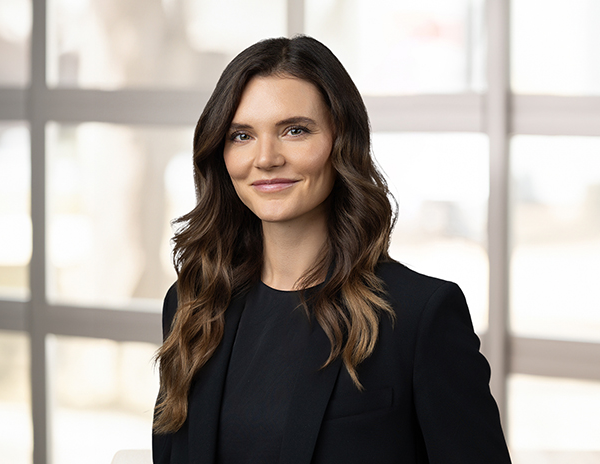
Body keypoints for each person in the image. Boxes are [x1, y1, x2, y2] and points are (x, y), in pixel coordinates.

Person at [152, 35, 512, 464]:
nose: (266, 158)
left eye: (295, 130)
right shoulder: (193, 305)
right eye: (242, 135)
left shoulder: (420, 316)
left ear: (342, 142)